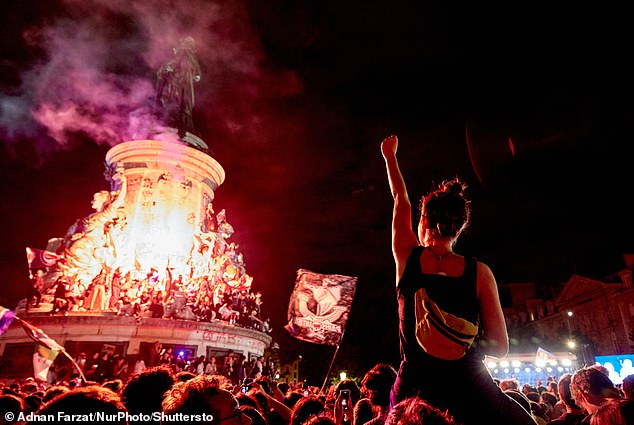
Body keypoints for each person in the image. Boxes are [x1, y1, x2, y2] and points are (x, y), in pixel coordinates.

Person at [380, 134, 536, 425]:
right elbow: (500, 347)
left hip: (414, 391)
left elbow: (400, 199)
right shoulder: (479, 272)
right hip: (469, 387)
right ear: (461, 227)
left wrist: (390, 156)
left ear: (423, 221)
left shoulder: (406, 257)